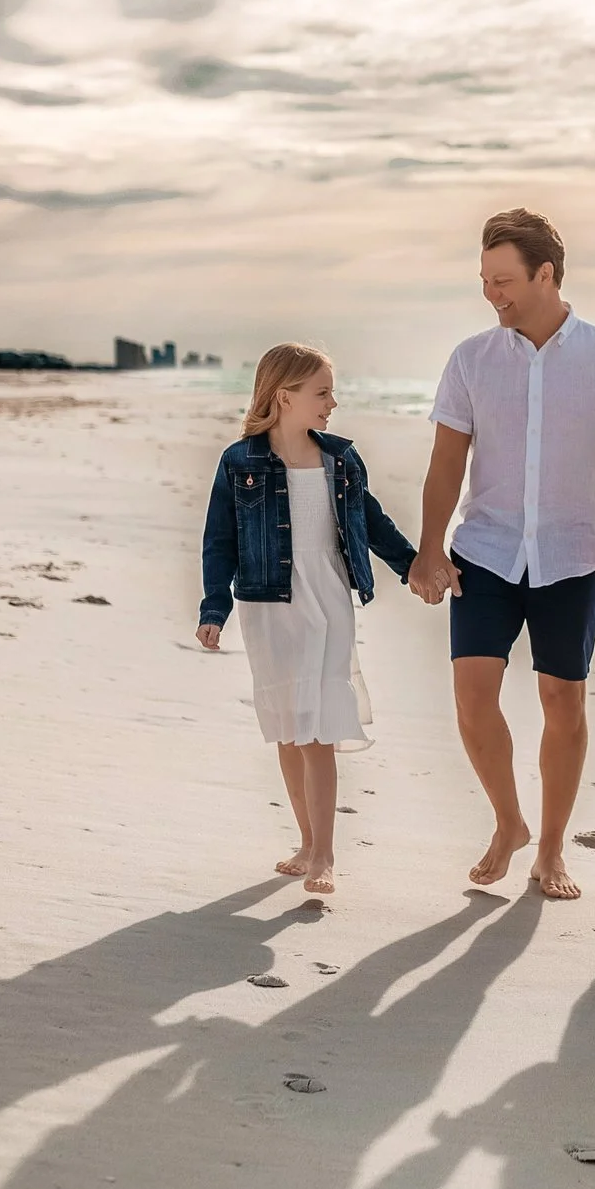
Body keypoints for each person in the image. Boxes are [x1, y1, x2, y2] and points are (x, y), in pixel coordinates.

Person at [409, 209, 595, 901]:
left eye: (505, 280)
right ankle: (508, 821)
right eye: (485, 281)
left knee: (563, 700)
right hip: (484, 549)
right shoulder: (470, 360)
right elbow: (444, 464)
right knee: (471, 698)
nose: (493, 294)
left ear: (546, 274)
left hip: (572, 555)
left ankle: (551, 849)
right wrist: (430, 549)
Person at [196, 343, 413, 896]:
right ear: (284, 396)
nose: (332, 403)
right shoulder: (239, 462)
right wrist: (212, 610)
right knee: (290, 732)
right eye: (322, 393)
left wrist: (415, 567)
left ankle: (324, 855)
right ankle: (305, 840)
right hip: (268, 605)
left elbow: (373, 521)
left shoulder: (341, 460)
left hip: (329, 598)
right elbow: (218, 542)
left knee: (316, 729)